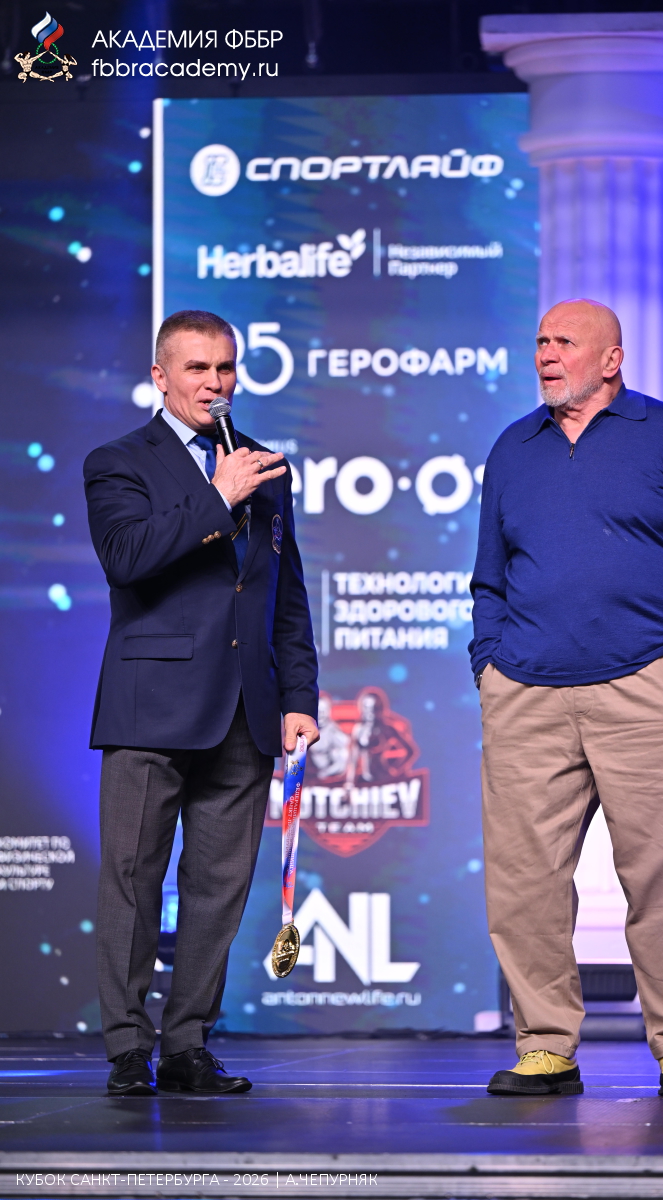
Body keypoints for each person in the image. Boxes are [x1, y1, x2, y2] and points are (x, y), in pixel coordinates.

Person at [470, 299, 663, 1099]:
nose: (547, 354)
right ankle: (545, 1047)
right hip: (527, 690)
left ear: (612, 359)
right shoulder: (513, 447)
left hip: (651, 686)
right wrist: (489, 664)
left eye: (565, 342)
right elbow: (489, 576)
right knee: (523, 883)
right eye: (541, 341)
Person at [84, 309, 319, 1097]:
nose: (215, 384)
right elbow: (128, 558)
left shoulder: (266, 466)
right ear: (160, 376)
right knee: (132, 878)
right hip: (151, 708)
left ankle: (187, 1045)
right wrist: (217, 497)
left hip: (246, 711)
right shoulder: (117, 462)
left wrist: (298, 695)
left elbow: (286, 594)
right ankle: (128, 1048)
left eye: (225, 368)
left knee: (219, 889)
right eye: (196, 369)